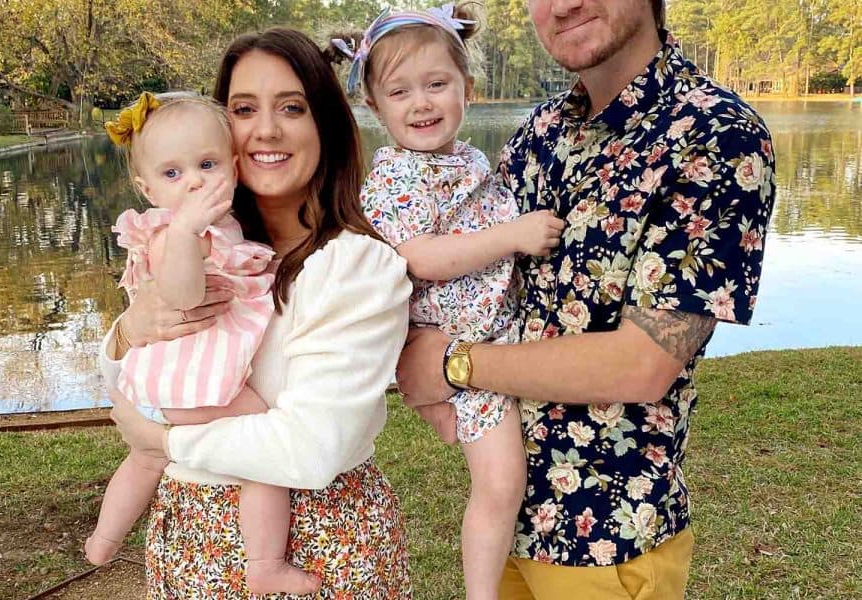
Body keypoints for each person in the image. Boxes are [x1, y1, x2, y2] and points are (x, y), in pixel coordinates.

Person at [396, 0, 776, 598]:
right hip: (506, 522)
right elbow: (470, 275)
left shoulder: (716, 135)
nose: (564, 4)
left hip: (606, 536)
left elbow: (642, 364)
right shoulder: (539, 132)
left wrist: (451, 365)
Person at [99, 28, 414, 598]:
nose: (266, 129)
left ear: (326, 125)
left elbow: (310, 449)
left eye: (292, 107)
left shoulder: (358, 267)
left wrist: (162, 442)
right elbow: (139, 377)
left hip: (319, 543)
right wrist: (128, 331)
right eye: (244, 109)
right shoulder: (201, 244)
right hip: (187, 538)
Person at [331, 5, 563, 598]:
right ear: (374, 106)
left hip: (492, 333)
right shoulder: (396, 178)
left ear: (468, 89)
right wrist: (513, 236)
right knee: (501, 483)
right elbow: (421, 258)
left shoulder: (466, 160)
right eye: (400, 92)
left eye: (437, 84)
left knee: (518, 475)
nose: (421, 103)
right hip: (460, 347)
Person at [85, 91, 320, 595]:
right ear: (146, 188)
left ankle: (103, 541)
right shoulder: (172, 234)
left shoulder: (222, 229)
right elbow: (184, 295)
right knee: (265, 448)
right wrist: (187, 231)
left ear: (233, 168)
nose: (193, 181)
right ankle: (264, 562)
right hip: (189, 384)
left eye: (207, 165)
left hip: (156, 384)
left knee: (144, 460)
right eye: (173, 173)